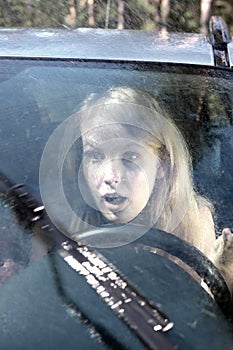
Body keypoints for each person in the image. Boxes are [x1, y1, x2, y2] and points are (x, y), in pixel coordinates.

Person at [63, 86, 232, 294]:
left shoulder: (192, 222)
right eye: (95, 156)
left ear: (162, 164)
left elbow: (198, 317)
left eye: (130, 157)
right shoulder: (63, 226)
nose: (109, 177)